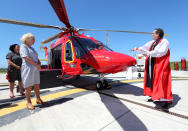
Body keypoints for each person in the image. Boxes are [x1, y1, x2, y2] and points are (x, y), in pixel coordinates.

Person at [133, 28, 173, 108]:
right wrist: (138, 49)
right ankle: (153, 96)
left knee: (160, 80)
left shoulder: (164, 41)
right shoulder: (152, 42)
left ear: (158, 34)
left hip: (160, 65)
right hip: (151, 64)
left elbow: (160, 52)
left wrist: (147, 53)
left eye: (153, 33)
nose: (152, 34)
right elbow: (144, 48)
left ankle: (163, 99)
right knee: (151, 80)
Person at [20, 33, 44, 110]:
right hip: (28, 69)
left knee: (36, 85)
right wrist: (36, 65)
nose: (34, 40)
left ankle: (38, 98)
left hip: (35, 69)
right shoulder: (23, 46)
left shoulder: (32, 48)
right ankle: (28, 102)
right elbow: (26, 57)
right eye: (33, 39)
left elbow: (36, 57)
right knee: (29, 86)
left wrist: (39, 63)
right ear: (27, 39)